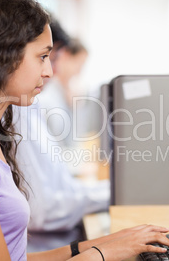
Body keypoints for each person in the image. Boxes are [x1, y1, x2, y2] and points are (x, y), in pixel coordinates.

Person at [0, 0, 169, 260]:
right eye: (42, 57)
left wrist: (109, 242)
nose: (49, 72)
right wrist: (103, 253)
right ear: (1, 56)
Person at [14, 18, 109, 251]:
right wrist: (111, 195)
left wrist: (114, 192)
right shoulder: (16, 114)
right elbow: (41, 210)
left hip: (61, 240)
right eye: (45, 57)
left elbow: (60, 184)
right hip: (49, 247)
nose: (50, 71)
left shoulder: (30, 106)